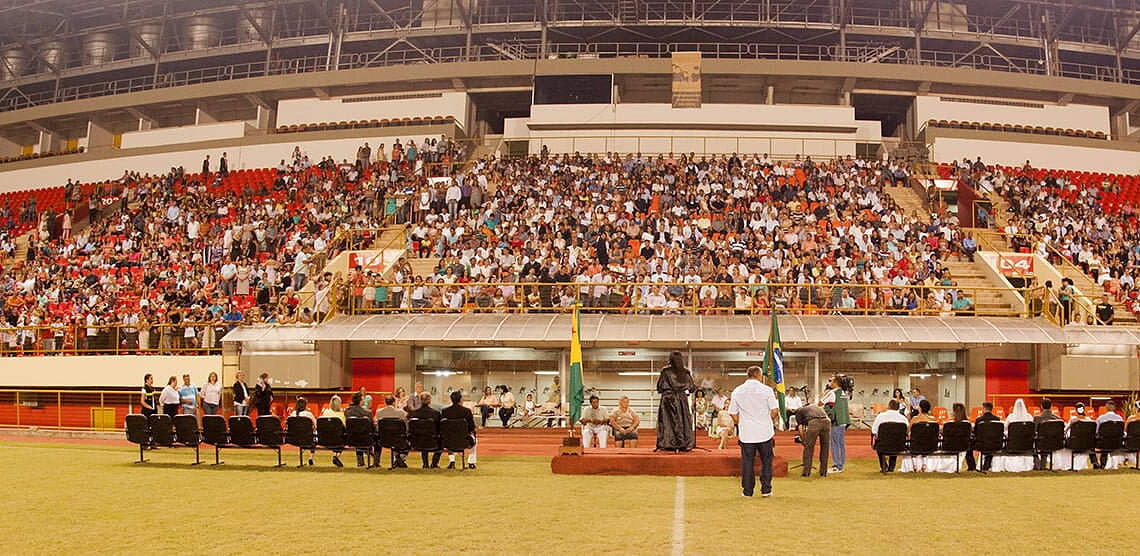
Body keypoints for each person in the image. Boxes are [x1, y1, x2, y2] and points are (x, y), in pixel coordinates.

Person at [729, 365, 779, 497]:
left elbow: (733, 413)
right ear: (759, 375)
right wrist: (767, 421)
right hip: (765, 432)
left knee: (747, 463)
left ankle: (747, 491)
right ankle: (766, 489)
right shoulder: (767, 390)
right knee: (767, 461)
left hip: (747, 434)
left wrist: (742, 423)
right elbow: (774, 411)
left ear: (748, 375)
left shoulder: (737, 391)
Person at [656, 351, 696, 452]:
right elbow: (692, 388)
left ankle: (668, 443)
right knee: (683, 420)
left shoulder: (665, 371)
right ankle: (684, 443)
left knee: (667, 421)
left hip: (668, 398)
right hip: (681, 399)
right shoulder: (685, 372)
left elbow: (660, 387)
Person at [821, 374, 852, 474]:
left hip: (836, 421)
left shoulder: (832, 393)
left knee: (834, 444)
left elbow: (820, 403)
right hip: (843, 421)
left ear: (836, 383)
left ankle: (837, 466)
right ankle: (841, 464)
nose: (829, 383)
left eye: (831, 381)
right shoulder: (843, 392)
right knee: (840, 444)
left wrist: (824, 394)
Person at [441, 390, 478, 469]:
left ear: (451, 399)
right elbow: (472, 427)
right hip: (464, 440)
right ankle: (471, 462)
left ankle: (452, 461)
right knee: (475, 440)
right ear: (460, 399)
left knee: (449, 436)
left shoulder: (445, 411)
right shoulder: (467, 411)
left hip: (448, 440)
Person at [871, 399, 910, 472]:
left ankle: (884, 466)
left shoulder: (880, 416)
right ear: (898, 408)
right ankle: (891, 466)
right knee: (895, 440)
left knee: (880, 445)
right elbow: (908, 431)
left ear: (888, 406)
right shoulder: (903, 418)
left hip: (883, 444)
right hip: (899, 444)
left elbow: (874, 431)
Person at [793, 402, 830, 478]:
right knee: (825, 448)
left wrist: (804, 441)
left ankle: (806, 472)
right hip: (827, 422)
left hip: (814, 422)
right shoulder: (814, 407)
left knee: (808, 448)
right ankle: (823, 472)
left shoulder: (798, 413)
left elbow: (800, 428)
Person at [407, 392, 442, 468]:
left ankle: (425, 463)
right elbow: (440, 429)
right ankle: (434, 463)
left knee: (423, 435)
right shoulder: (436, 413)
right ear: (430, 400)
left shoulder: (413, 413)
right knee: (438, 439)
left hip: (416, 442)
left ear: (420, 400)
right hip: (433, 442)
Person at [375, 395, 408, 469]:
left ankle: (376, 462)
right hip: (399, 439)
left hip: (383, 440)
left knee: (376, 440)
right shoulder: (401, 412)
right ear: (394, 402)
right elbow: (405, 426)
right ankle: (398, 458)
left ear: (385, 402)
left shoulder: (379, 412)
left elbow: (377, 428)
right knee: (407, 442)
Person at [345, 392, 373, 467]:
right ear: (360, 401)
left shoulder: (347, 412)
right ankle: (375, 461)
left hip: (351, 438)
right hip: (365, 438)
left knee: (358, 433)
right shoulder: (367, 413)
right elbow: (372, 427)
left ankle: (360, 462)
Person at [1094, 401, 1124, 468]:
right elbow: (1122, 432)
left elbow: (1096, 431)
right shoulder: (1120, 419)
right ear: (1115, 408)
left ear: (1106, 408)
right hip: (1117, 443)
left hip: (1103, 443)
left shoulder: (1101, 418)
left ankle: (1100, 464)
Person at [289, 397, 317, 466]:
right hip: (308, 439)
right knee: (314, 437)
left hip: (294, 439)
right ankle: (311, 457)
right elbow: (316, 425)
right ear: (305, 405)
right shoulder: (308, 414)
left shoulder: (292, 414)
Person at [321, 395, 347, 467]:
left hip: (324, 439)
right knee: (343, 437)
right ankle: (337, 456)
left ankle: (336, 456)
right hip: (338, 440)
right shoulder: (341, 415)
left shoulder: (325, 412)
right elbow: (345, 427)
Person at [951, 403, 977, 471]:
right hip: (965, 445)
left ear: (954, 412)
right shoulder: (968, 423)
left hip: (952, 444)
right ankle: (972, 466)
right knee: (969, 443)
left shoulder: (950, 423)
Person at [975, 402, 1000, 471]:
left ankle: (976, 466)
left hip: (982, 444)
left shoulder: (979, 420)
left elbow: (976, 433)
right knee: (990, 448)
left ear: (984, 409)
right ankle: (987, 464)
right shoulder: (997, 419)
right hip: (995, 444)